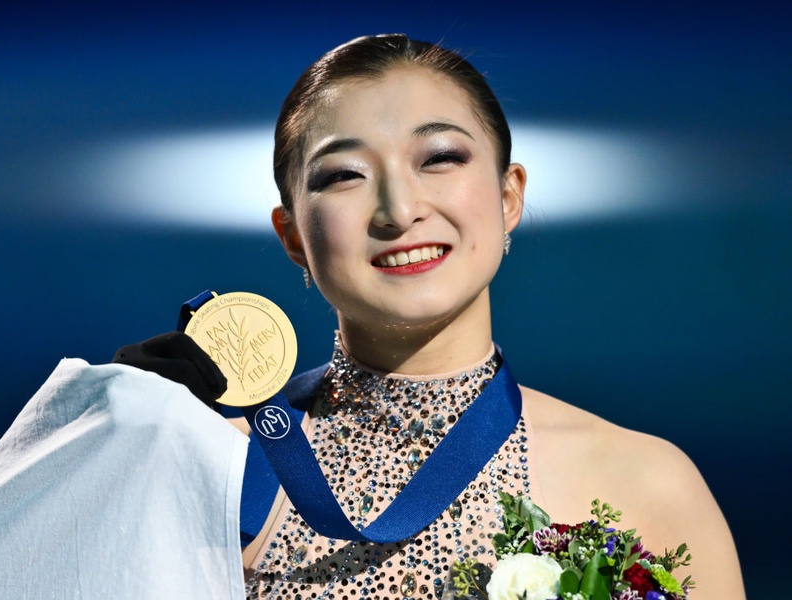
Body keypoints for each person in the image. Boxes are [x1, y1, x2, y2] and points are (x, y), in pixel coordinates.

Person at [193, 33, 741, 598]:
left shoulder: (649, 485)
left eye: (440, 159)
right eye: (345, 175)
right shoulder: (217, 469)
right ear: (293, 237)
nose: (400, 211)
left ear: (509, 198)